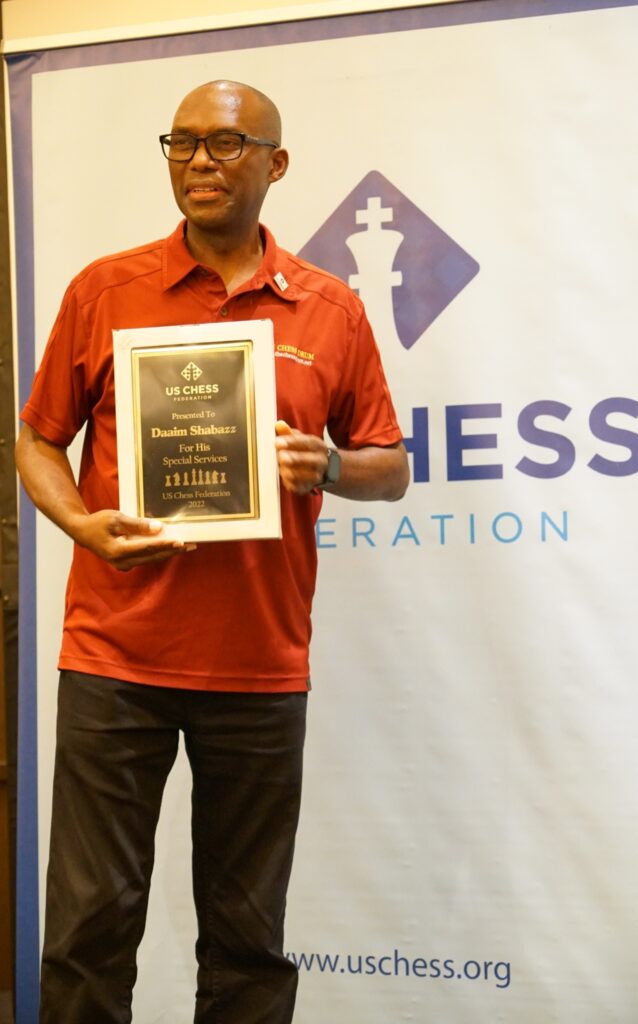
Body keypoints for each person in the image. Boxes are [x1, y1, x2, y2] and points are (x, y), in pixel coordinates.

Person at [15, 80, 409, 1024]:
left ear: (275, 165)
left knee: (247, 939)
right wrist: (79, 524)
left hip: (260, 669)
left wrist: (328, 467)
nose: (200, 161)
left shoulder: (331, 310)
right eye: (182, 143)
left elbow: (389, 468)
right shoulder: (104, 289)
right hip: (114, 659)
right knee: (86, 931)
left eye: (227, 145)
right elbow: (37, 440)